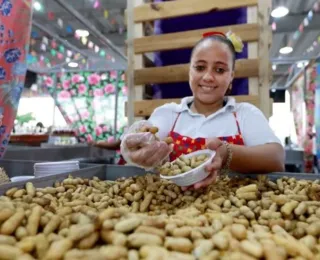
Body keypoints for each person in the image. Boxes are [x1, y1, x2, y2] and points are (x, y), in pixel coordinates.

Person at [120, 31, 285, 190]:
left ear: (231, 77)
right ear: (190, 71)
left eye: (219, 70)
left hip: (230, 212)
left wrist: (227, 154)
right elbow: (145, 134)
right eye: (200, 68)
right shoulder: (169, 114)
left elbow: (276, 158)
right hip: (172, 210)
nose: (208, 77)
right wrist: (135, 146)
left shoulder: (244, 114)